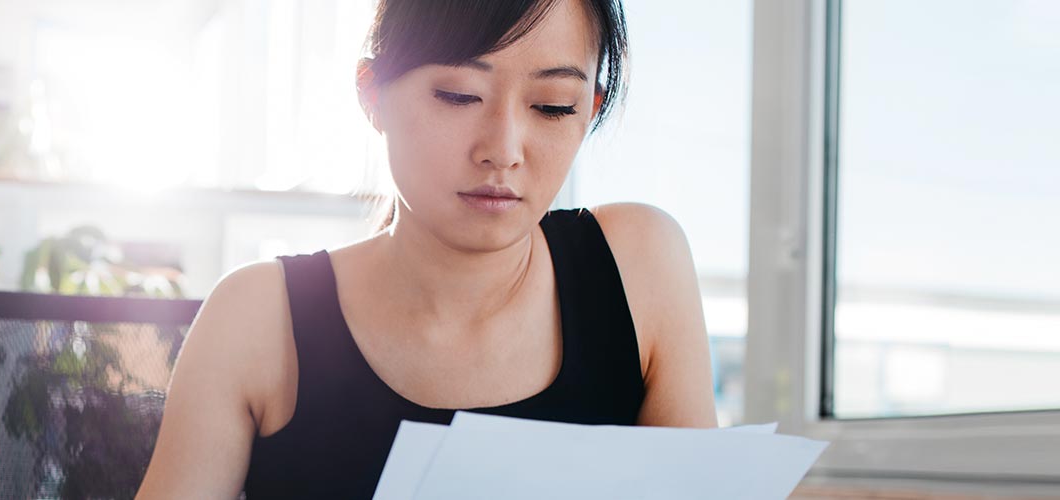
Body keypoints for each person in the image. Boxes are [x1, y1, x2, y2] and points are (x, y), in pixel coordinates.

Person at [136, 0, 716, 498]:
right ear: (373, 94)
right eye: (459, 95)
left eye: (552, 106)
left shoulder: (638, 266)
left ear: (589, 110)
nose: (504, 150)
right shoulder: (257, 318)